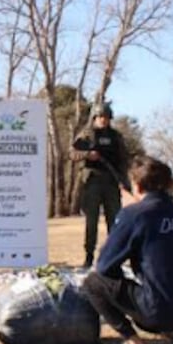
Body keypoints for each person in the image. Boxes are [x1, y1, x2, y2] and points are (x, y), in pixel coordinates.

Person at [81, 154, 173, 344]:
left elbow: (104, 265)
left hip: (158, 309)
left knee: (93, 283)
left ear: (137, 186)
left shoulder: (136, 214)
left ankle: (133, 343)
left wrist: (128, 211)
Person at [71, 102, 129, 268]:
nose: (103, 120)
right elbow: (72, 153)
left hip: (111, 181)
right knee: (91, 221)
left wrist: (124, 181)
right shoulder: (87, 135)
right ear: (95, 118)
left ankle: (115, 255)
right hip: (92, 182)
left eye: (106, 117)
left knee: (115, 221)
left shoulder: (116, 136)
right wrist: (88, 154)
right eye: (100, 117)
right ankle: (89, 256)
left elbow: (123, 159)